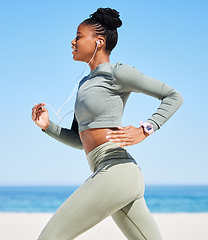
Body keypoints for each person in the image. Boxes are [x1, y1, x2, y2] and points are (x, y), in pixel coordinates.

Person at [31, 7, 183, 240]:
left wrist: (146, 129)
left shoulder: (117, 73)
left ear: (99, 41)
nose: (73, 41)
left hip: (116, 171)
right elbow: (80, 141)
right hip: (112, 173)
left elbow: (173, 96)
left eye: (79, 36)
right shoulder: (84, 84)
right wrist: (47, 126)